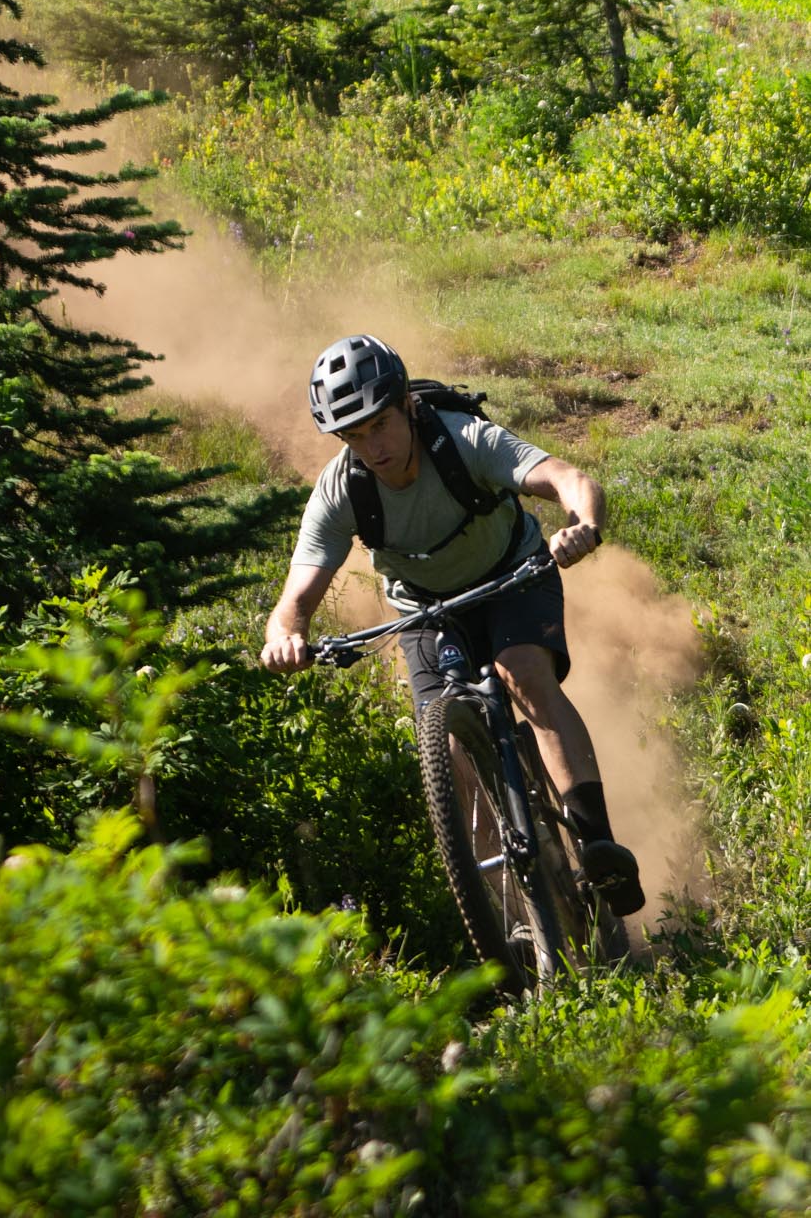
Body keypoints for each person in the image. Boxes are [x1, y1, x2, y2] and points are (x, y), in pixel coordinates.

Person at [260, 333, 645, 916]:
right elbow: (293, 601)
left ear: (408, 407)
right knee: (444, 745)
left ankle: (596, 847)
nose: (374, 447)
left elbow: (569, 477)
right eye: (354, 436)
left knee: (524, 676)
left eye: (381, 424)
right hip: (424, 609)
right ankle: (518, 919)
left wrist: (581, 523)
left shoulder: (461, 439)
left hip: (512, 575)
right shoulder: (342, 490)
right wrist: (285, 637)